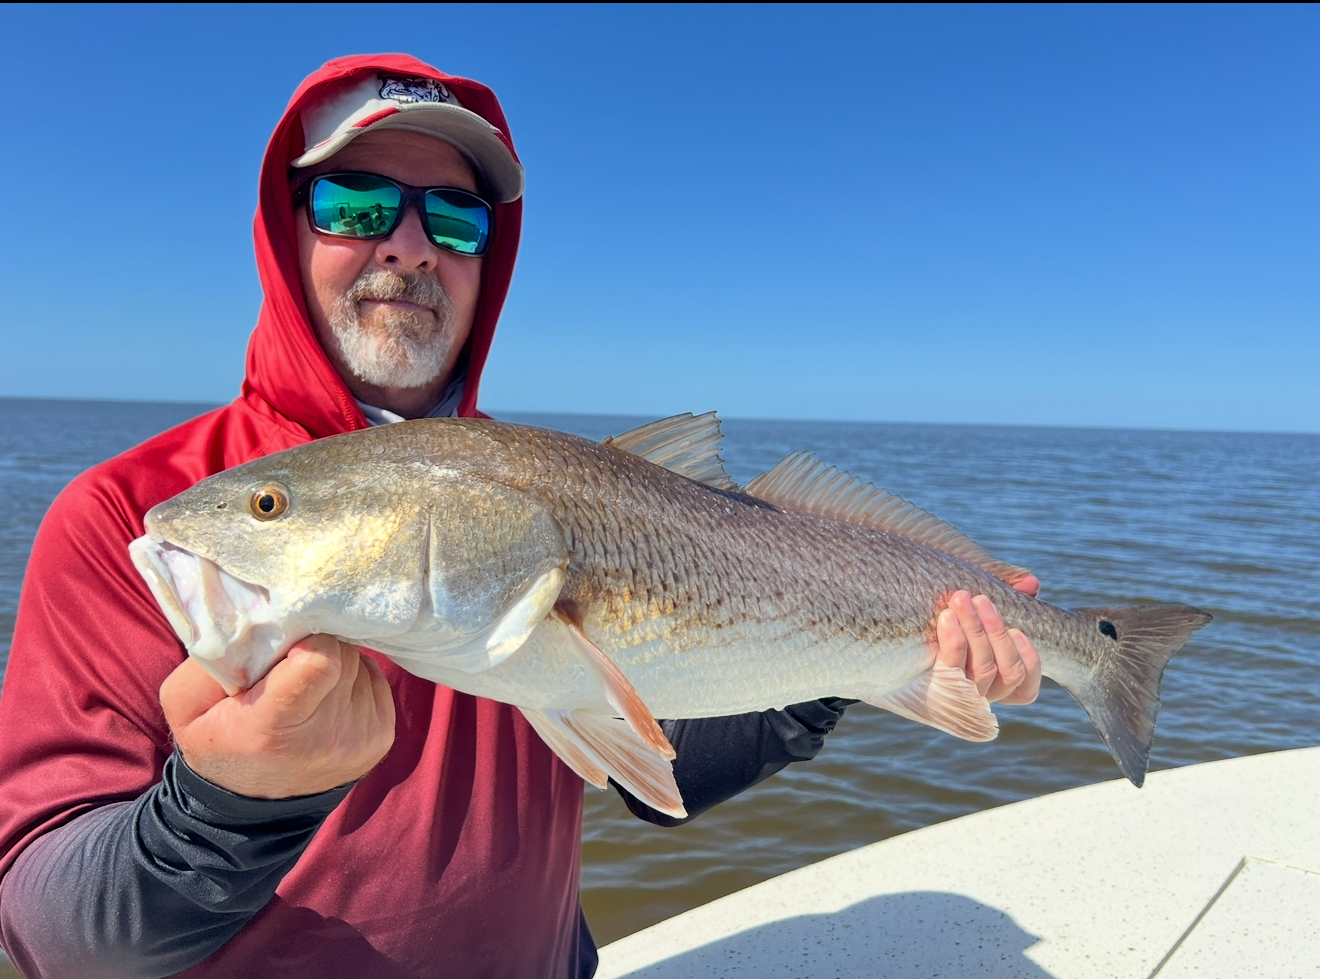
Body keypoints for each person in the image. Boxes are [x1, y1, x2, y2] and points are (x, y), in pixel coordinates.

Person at [0, 55, 1041, 979]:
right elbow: (49, 937)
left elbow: (656, 768)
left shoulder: (548, 485)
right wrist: (228, 807)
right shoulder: (137, 517)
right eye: (360, 204)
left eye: (454, 219)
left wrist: (860, 660)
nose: (409, 247)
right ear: (289, 225)